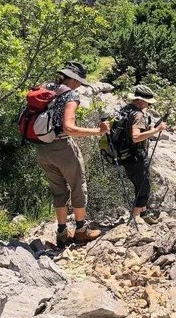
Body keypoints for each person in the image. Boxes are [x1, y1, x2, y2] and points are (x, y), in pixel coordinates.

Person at [35, 61, 110, 247]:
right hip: (62, 148)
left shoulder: (45, 87)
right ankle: (81, 230)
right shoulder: (70, 94)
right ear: (74, 80)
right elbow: (69, 128)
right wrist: (98, 131)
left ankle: (61, 232)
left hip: (41, 148)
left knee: (58, 189)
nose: (78, 86)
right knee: (78, 184)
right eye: (78, 82)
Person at [122, 85, 167, 222]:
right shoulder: (138, 114)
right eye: (147, 102)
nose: (148, 105)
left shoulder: (126, 110)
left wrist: (149, 129)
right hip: (135, 155)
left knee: (139, 184)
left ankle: (143, 214)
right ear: (141, 101)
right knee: (144, 187)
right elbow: (136, 137)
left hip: (125, 154)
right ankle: (135, 219)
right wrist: (156, 130)